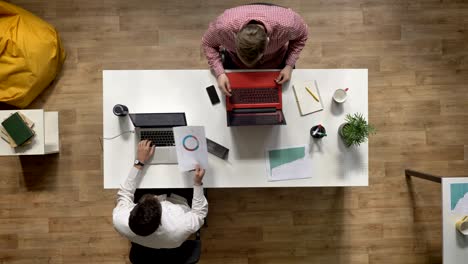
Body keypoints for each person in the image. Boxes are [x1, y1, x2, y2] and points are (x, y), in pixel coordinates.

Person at [112, 140, 208, 249]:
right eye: (155, 201)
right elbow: (199, 214)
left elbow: (124, 194)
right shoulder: (180, 226)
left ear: (132, 212)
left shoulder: (119, 220)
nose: (154, 196)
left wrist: (139, 162)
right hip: (177, 198)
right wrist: (198, 183)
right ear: (161, 220)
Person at [202, 4, 308, 96]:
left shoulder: (288, 25)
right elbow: (208, 43)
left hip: (275, 61)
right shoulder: (223, 28)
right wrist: (220, 73)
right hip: (236, 63)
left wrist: (289, 66)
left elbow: (302, 36)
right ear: (235, 37)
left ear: (267, 40)